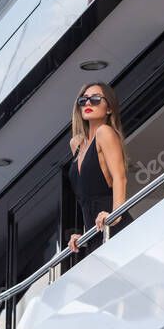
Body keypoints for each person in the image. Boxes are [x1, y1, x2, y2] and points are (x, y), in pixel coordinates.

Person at [67, 82, 133, 254]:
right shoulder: (77, 144)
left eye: (96, 99)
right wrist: (81, 235)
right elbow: (86, 197)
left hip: (114, 227)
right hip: (95, 234)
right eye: (83, 100)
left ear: (109, 108)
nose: (88, 103)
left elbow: (120, 178)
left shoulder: (105, 132)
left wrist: (115, 216)